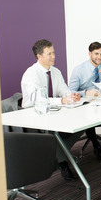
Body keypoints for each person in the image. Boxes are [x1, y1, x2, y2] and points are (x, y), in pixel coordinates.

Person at [21, 39, 80, 180]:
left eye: (53, 52)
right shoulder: (31, 74)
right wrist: (62, 100)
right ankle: (63, 162)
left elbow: (63, 91)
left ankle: (59, 152)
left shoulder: (55, 72)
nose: (54, 56)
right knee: (56, 132)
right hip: (35, 115)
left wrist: (71, 96)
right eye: (49, 54)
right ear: (39, 56)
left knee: (80, 123)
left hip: (54, 112)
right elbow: (38, 100)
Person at [68, 42, 101, 160]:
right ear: (89, 54)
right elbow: (69, 93)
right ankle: (96, 144)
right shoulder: (78, 70)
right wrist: (85, 93)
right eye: (96, 54)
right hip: (84, 104)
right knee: (87, 115)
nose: (99, 57)